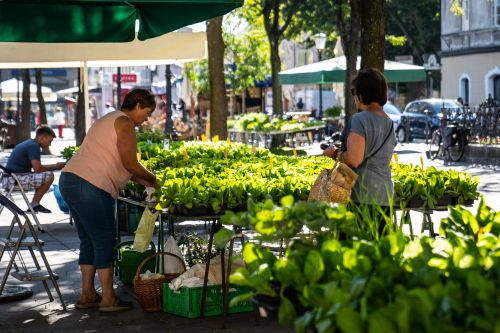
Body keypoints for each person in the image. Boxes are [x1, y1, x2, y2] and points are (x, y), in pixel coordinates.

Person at [59, 89, 157, 312]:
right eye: (148, 112)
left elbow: (124, 166)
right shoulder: (124, 122)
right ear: (138, 105)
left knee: (89, 240)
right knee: (104, 239)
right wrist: (156, 179)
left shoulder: (108, 118)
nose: (147, 118)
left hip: (70, 180)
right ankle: (108, 299)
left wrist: (146, 183)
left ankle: (87, 295)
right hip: (91, 185)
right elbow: (130, 163)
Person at [323, 68, 397, 235]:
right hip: (384, 195)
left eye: (354, 91)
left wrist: (334, 153)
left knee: (354, 252)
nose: (354, 96)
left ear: (362, 94)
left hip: (360, 195)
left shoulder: (359, 119)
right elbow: (385, 159)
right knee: (376, 253)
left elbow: (354, 160)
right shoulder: (389, 123)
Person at [2, 125, 65, 213]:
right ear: (42, 137)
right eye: (49, 141)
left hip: (10, 179)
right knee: (49, 175)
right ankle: (35, 204)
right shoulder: (34, 146)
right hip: (12, 181)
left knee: (45, 174)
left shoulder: (30, 143)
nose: (49, 144)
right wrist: (56, 166)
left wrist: (54, 166)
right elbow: (38, 169)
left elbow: (37, 168)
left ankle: (35, 204)